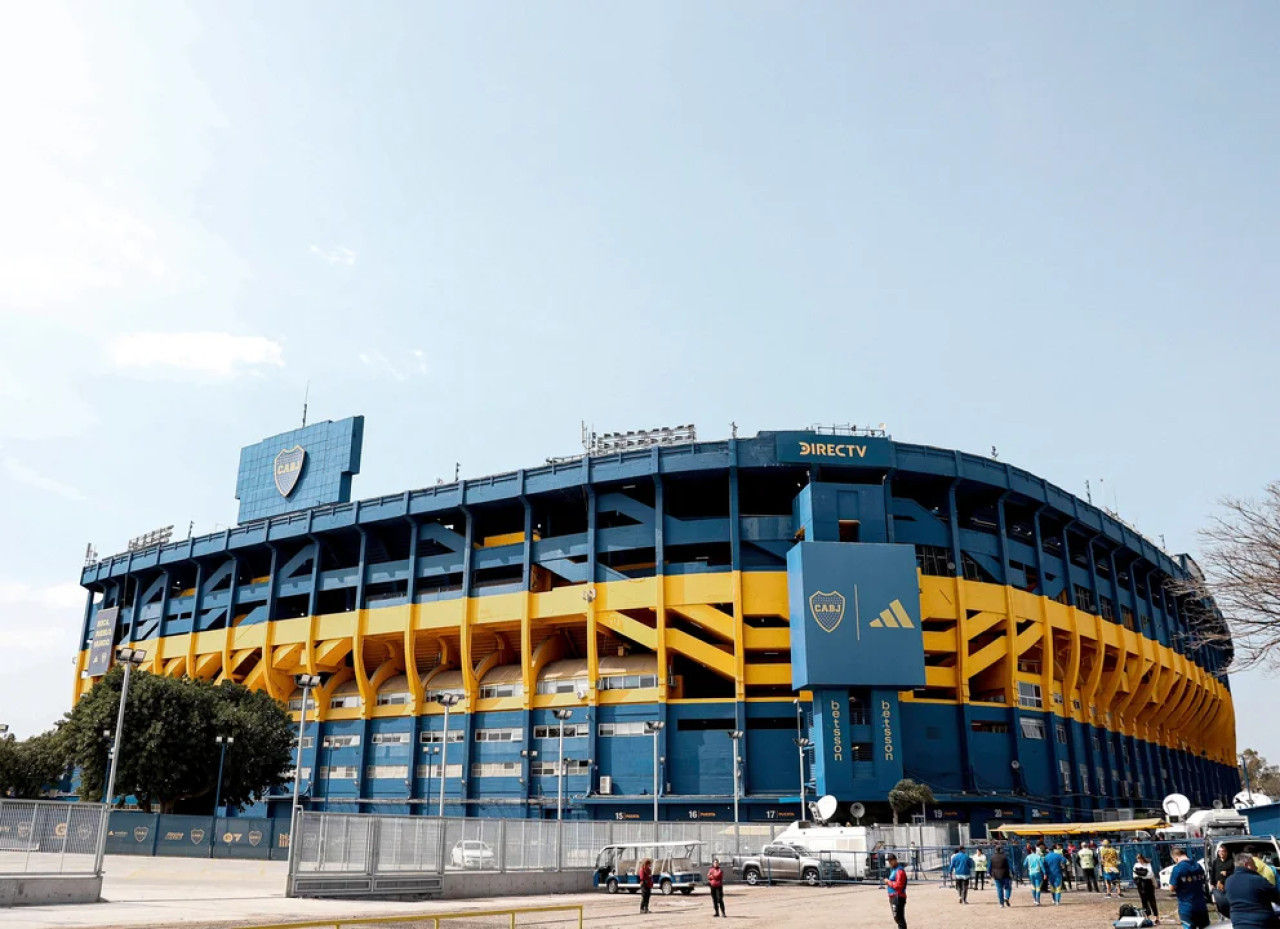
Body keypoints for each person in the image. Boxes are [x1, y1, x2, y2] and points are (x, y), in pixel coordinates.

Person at [1224, 853, 1280, 928]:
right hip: (1261, 923)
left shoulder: (1228, 881)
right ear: (1247, 865)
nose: (1256, 867)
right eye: (1254, 864)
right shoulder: (1258, 880)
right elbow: (1277, 896)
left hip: (1238, 923)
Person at [1168, 846, 1211, 929]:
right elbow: (1203, 881)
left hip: (1187, 906)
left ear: (1175, 857)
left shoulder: (1177, 869)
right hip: (1201, 905)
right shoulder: (1198, 866)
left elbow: (1171, 888)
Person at [1209, 844, 1236, 919]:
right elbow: (1212, 873)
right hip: (1218, 886)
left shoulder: (1231, 862)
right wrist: (1212, 883)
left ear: (1226, 852)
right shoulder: (1216, 861)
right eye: (1219, 852)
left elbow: (1235, 872)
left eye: (1223, 851)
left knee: (1228, 901)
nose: (1221, 853)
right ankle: (1221, 915)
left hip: (1229, 886)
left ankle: (1230, 914)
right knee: (1219, 902)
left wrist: (1227, 873)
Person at [1132, 853, 1161, 923]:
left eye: (1140, 859)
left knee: (1152, 900)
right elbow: (1134, 875)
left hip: (1148, 884)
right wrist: (1143, 874)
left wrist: (1142, 874)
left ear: (1142, 859)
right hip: (1140, 884)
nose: (1139, 861)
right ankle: (1147, 917)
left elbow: (1150, 875)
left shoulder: (1148, 864)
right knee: (1144, 901)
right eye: (1138, 859)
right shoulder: (1136, 865)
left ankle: (1157, 917)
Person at [884, 852, 908, 929]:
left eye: (891, 860)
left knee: (899, 918)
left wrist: (888, 882)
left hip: (898, 896)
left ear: (895, 860)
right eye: (889, 860)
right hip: (894, 896)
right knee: (897, 918)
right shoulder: (894, 870)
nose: (890, 862)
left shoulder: (899, 871)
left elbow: (899, 885)